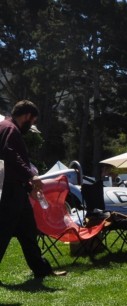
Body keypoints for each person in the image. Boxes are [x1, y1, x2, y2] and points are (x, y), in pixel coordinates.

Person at [0, 100, 66, 279]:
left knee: (28, 232)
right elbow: (10, 154)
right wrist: (31, 175)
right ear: (27, 116)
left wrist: (28, 186)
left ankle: (42, 270)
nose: (32, 126)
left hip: (17, 191)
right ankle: (42, 269)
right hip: (11, 192)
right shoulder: (11, 129)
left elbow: (12, 164)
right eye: (33, 121)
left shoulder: (4, 126)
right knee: (3, 233)